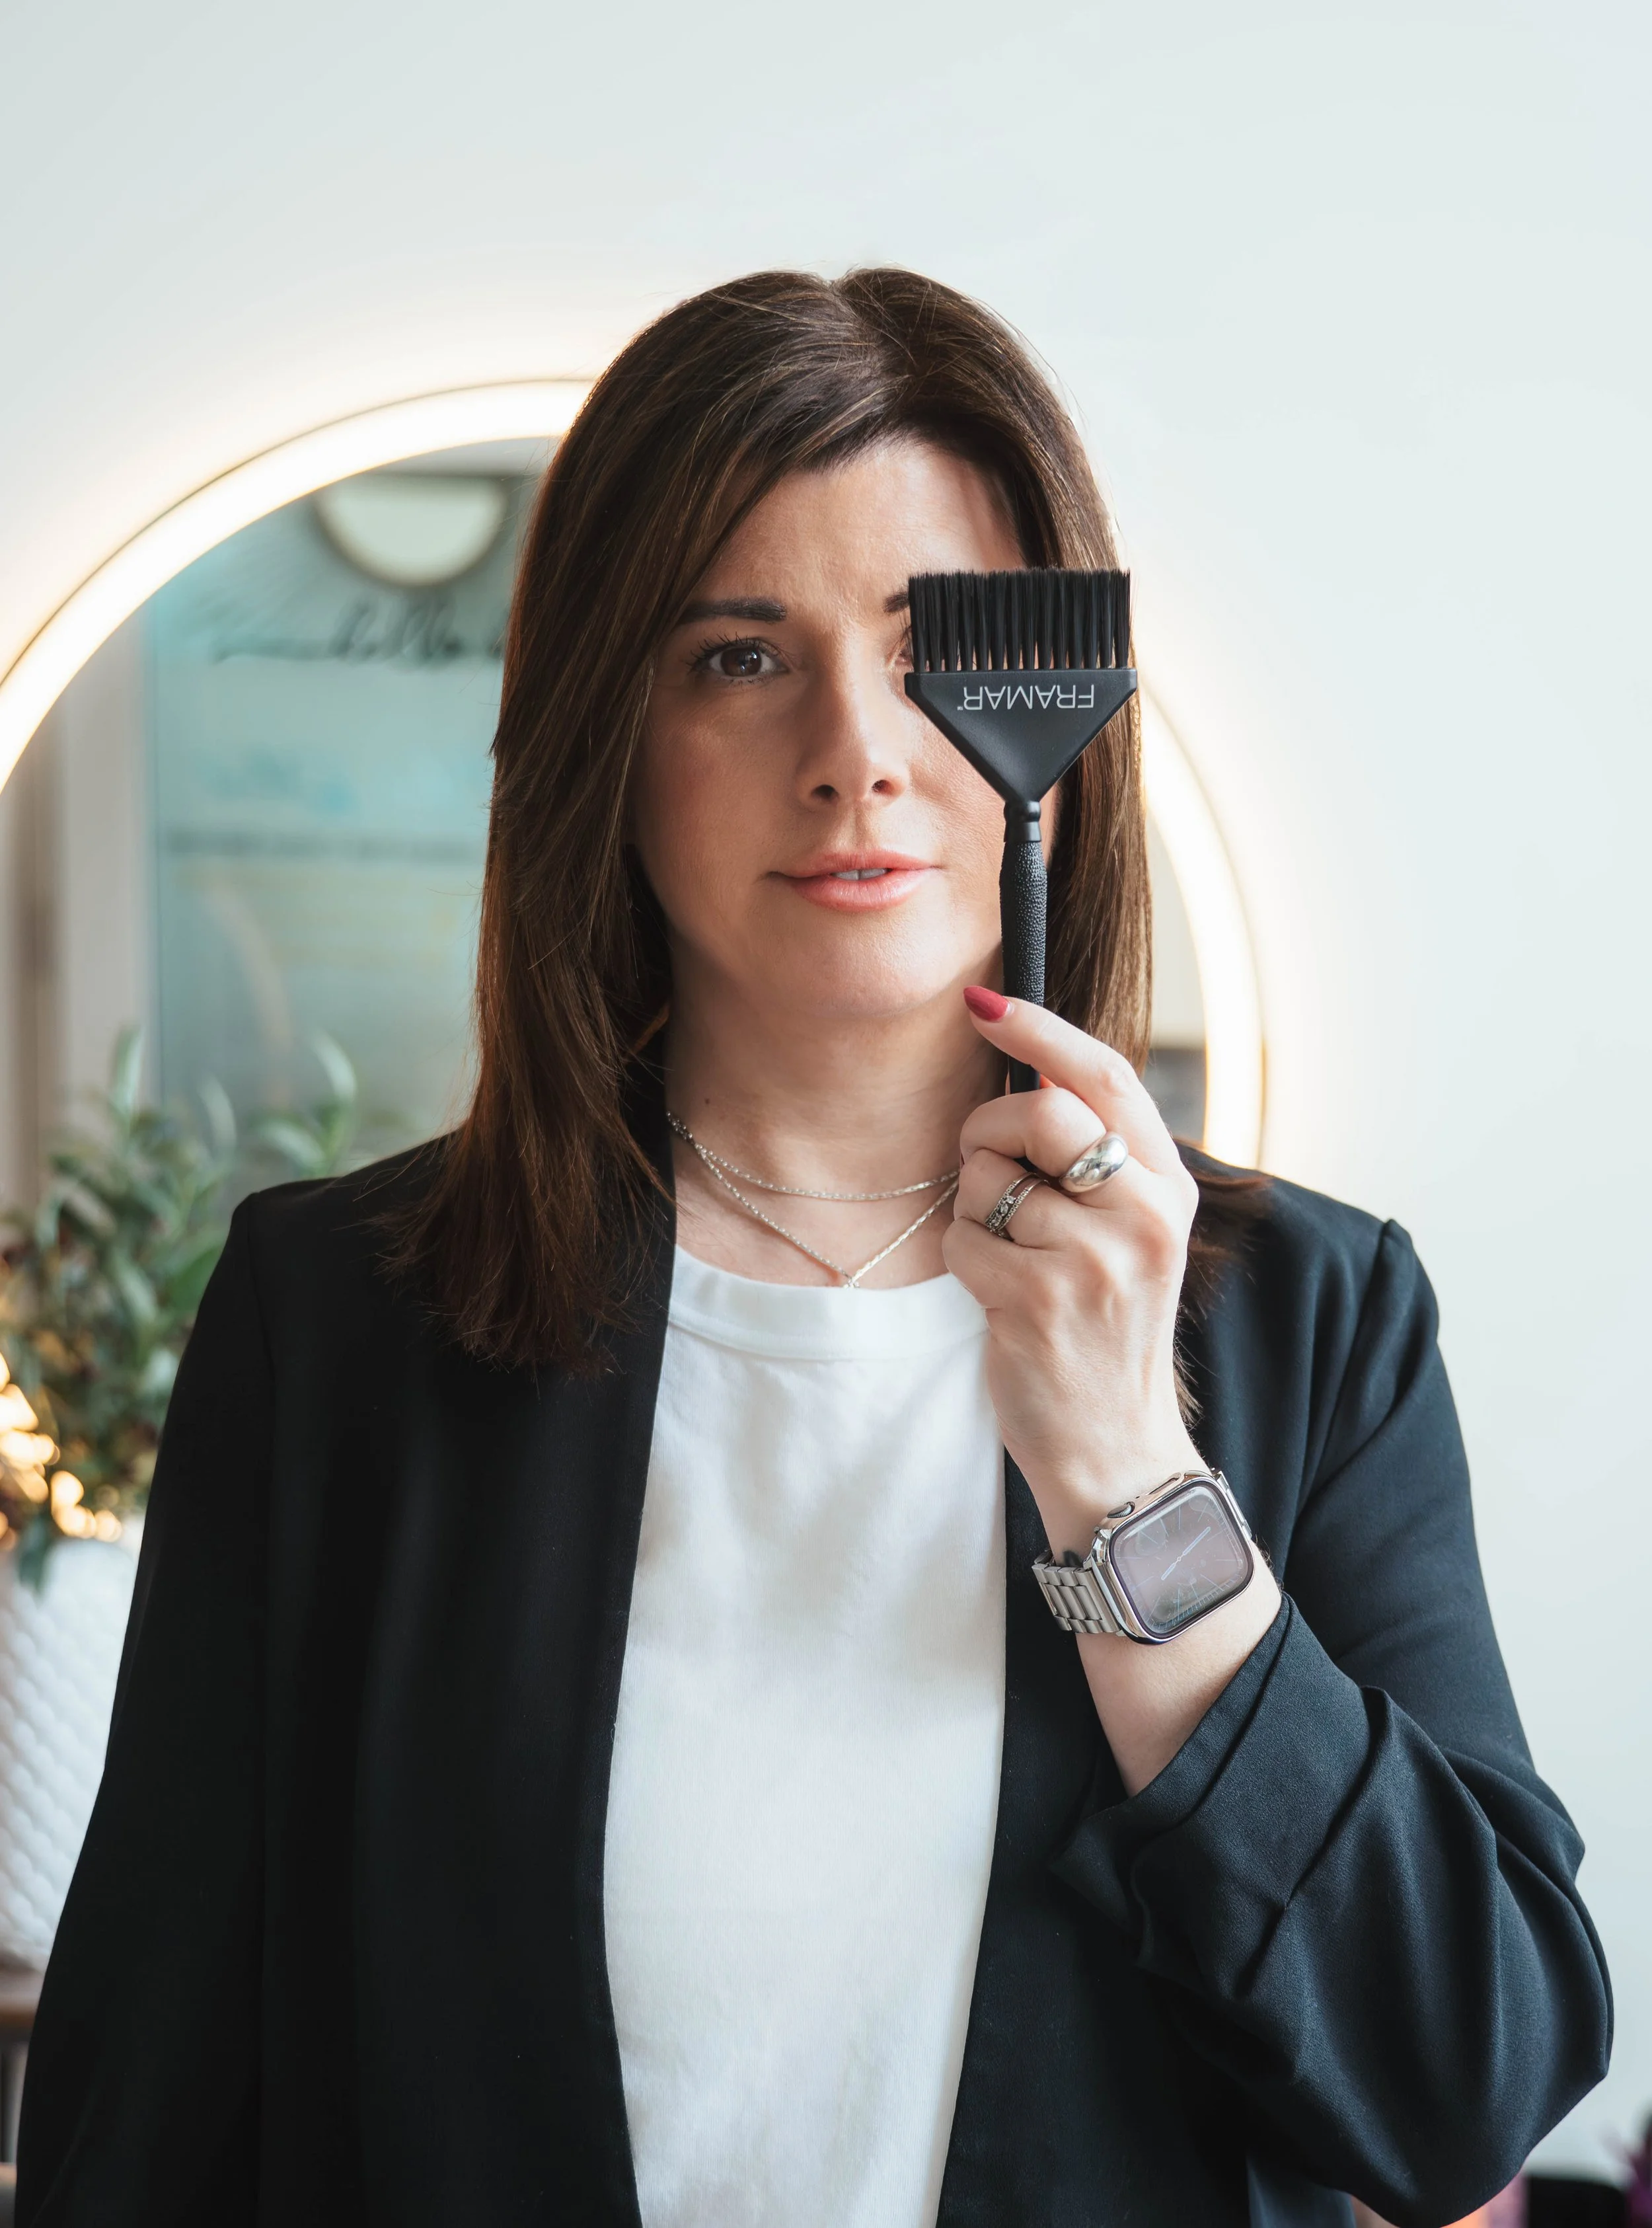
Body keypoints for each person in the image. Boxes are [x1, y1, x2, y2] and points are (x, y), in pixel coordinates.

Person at [18, 269, 1609, 2228]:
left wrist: (1125, 1475)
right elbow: (147, 2107)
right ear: (611, 727)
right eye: (737, 658)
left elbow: (1464, 2079)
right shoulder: (338, 1322)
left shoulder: (1306, 1320)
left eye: (934, 649)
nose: (854, 752)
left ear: (1060, 721)